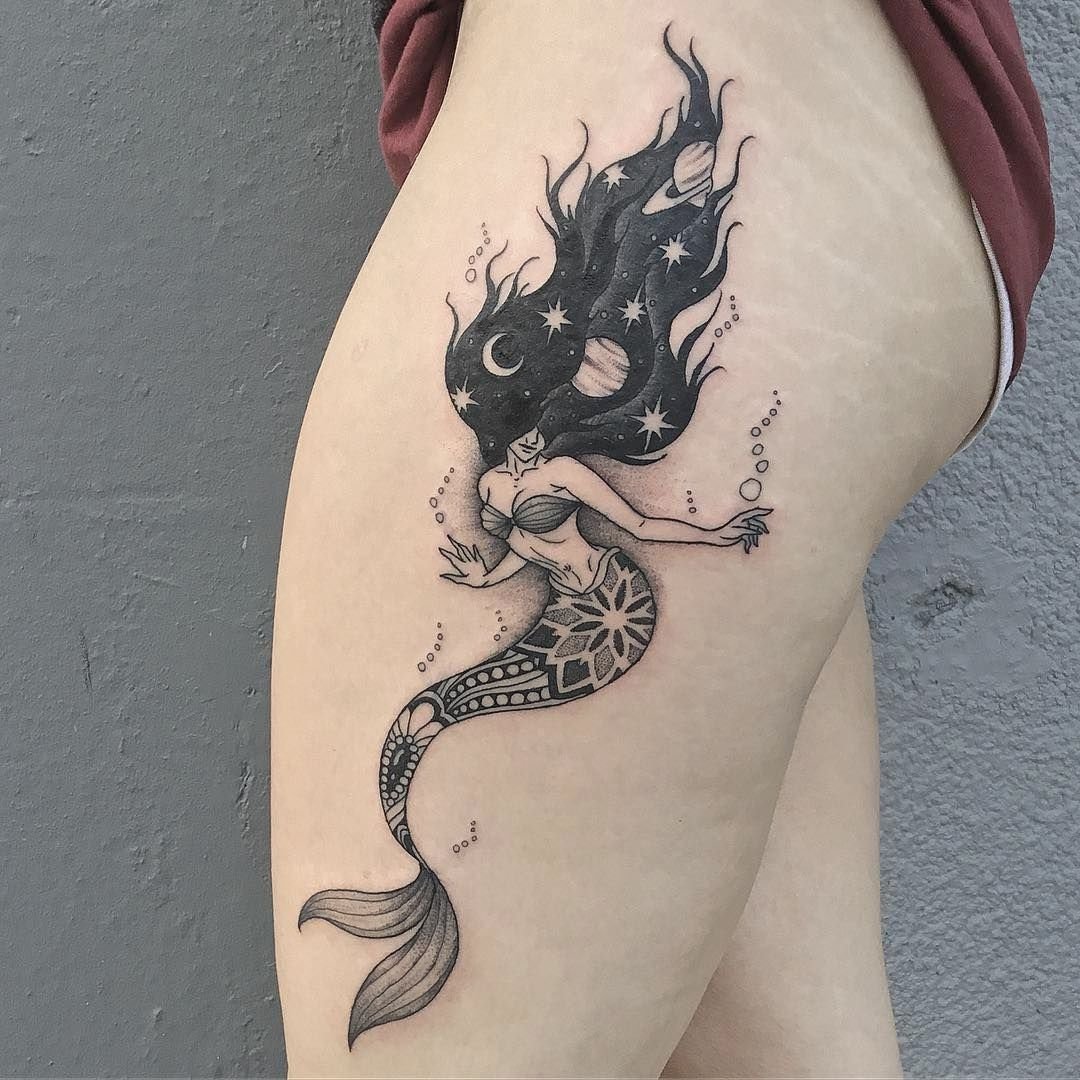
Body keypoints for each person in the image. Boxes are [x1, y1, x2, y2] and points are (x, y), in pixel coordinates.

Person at [270, 2, 1053, 1075]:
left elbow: (633, 520)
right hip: (817, 118)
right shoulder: (516, 484)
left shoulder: (547, 475)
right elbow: (574, 535)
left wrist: (707, 528)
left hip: (682, 58)